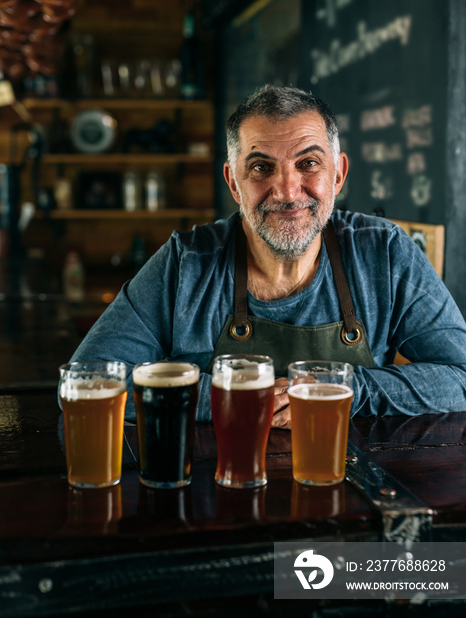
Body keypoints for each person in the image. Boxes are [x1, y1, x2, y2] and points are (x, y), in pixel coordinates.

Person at [68, 84, 466, 427]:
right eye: (261, 168)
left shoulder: (385, 252)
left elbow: (460, 377)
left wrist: (345, 389)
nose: (288, 191)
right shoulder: (186, 262)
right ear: (234, 183)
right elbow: (91, 378)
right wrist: (244, 398)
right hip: (216, 494)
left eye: (308, 164)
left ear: (339, 174)